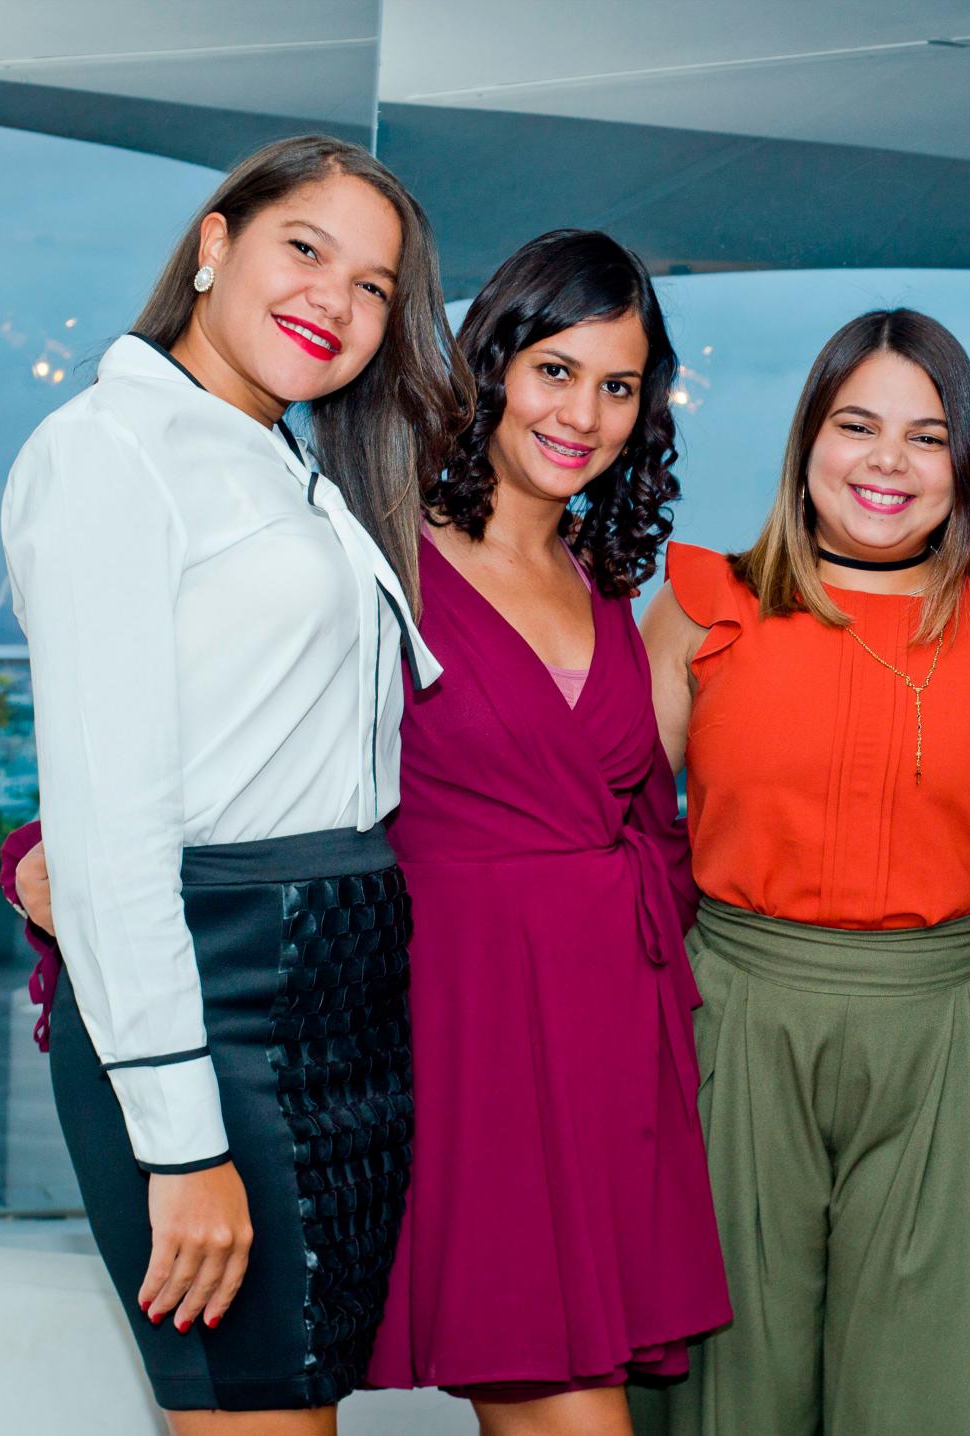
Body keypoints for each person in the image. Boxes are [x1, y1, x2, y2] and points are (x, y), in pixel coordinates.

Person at [0, 134, 465, 1428]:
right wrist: (181, 1139)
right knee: (257, 1411)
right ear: (215, 244)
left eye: (376, 286)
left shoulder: (278, 454)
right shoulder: (111, 449)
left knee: (296, 1404)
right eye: (305, 250)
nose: (337, 300)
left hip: (341, 1002)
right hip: (220, 1006)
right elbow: (110, 832)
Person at [634, 309, 970, 1436]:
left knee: (925, 1393)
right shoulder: (703, 603)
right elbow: (600, 824)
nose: (887, 460)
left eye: (926, 437)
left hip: (942, 1033)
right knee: (724, 1394)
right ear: (807, 443)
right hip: (735, 1022)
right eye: (857, 424)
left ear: (963, 463)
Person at [363, 229, 728, 1432]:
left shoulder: (605, 578)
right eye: (556, 370)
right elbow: (240, 738)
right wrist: (55, 845)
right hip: (473, 1037)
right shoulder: (384, 556)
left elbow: (654, 827)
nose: (585, 413)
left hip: (612, 1044)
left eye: (618, 385)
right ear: (493, 367)